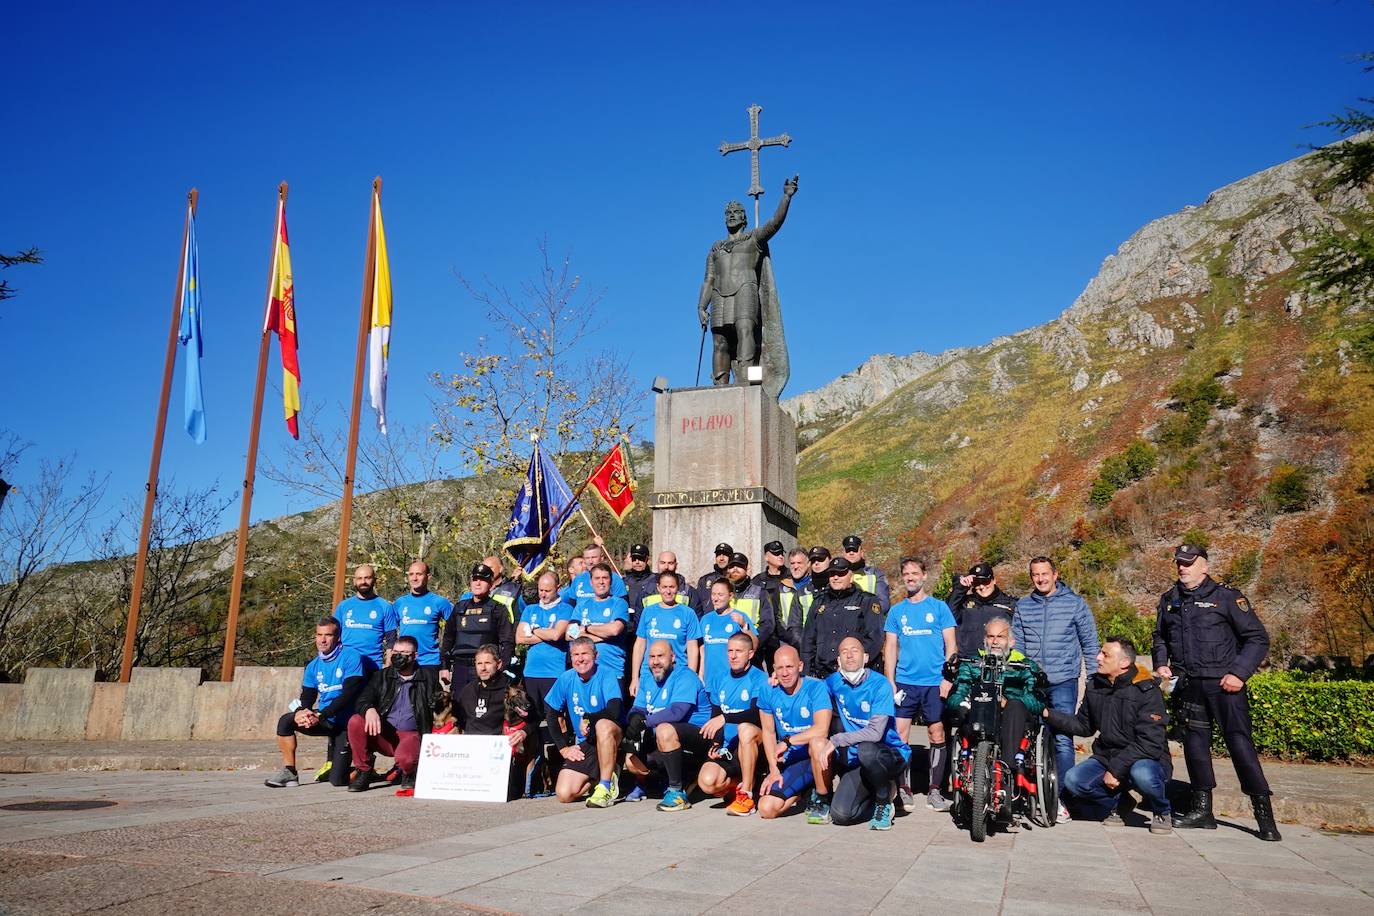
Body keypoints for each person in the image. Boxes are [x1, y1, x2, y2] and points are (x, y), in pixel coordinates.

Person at [1153, 543, 1280, 841]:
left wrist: (1239, 673)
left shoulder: (1227, 598)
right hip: (1189, 686)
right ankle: (1202, 811)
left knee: (1240, 747)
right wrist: (1161, 664)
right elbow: (1160, 637)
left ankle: (1264, 816)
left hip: (1224, 686)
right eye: (1179, 563)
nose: (1182, 567)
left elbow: (1257, 638)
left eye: (1189, 563)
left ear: (1204, 566)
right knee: (1195, 747)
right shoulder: (1169, 600)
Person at [1046, 636, 1172, 834]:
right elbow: (1083, 726)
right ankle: (1119, 803)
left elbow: (1150, 742)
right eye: (1100, 652)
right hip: (1108, 755)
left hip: (1146, 758)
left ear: (1124, 663)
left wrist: (1116, 769)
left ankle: (1162, 811)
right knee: (1073, 781)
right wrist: (1047, 714)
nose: (1097, 658)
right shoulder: (1095, 685)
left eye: (1105, 654)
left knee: (1142, 774)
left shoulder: (1146, 689)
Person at [1013, 556, 1099, 818]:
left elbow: (1090, 641)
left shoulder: (1074, 604)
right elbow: (1018, 646)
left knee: (1062, 740)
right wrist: (1019, 676)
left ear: (1055, 574)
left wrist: (1093, 678)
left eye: (1045, 574)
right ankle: (1028, 793)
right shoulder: (1023, 606)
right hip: (1032, 683)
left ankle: (1058, 798)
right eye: (1035, 575)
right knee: (1026, 738)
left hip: (1063, 681)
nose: (1040, 579)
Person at [696, 176, 797, 392]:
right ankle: (720, 385)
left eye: (737, 213)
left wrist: (786, 197)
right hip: (719, 295)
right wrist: (701, 306)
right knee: (720, 342)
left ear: (744, 218)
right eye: (728, 214)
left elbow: (775, 222)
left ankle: (745, 382)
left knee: (745, 332)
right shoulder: (716, 248)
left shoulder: (754, 239)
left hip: (745, 289)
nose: (732, 216)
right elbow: (708, 279)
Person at [810, 637, 909, 830]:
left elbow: (875, 733)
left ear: (865, 657)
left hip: (888, 753)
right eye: (844, 651)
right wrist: (777, 679)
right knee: (841, 815)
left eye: (854, 650)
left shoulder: (880, 685)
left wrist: (837, 740)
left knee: (867, 750)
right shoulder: (833, 682)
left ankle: (883, 800)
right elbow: (805, 686)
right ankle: (877, 793)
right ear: (838, 661)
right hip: (858, 760)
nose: (849, 655)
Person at [883, 556, 957, 812]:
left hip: (934, 683)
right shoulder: (896, 611)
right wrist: (890, 681)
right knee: (900, 735)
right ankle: (904, 790)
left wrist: (948, 678)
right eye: (906, 574)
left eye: (915, 573)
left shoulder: (939, 608)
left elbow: (952, 646)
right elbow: (890, 647)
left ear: (925, 575)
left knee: (936, 733)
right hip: (905, 681)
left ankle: (934, 791)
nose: (911, 577)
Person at [946, 618, 1046, 799]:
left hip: (1013, 719)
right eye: (991, 636)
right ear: (985, 640)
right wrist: (965, 702)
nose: (995, 641)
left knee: (1015, 706)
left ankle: (1008, 767)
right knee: (964, 708)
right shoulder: (971, 663)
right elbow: (956, 694)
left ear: (1011, 641)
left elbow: (1037, 700)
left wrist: (1009, 702)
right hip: (979, 715)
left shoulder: (1024, 665)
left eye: (1001, 637)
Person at [266, 617, 368, 788]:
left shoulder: (352, 657)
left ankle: (365, 768)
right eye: (319, 635)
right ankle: (290, 772)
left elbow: (349, 694)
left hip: (346, 724)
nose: (322, 640)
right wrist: (302, 712)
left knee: (337, 781)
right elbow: (307, 696)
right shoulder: (313, 666)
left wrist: (320, 714)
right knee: (286, 720)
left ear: (338, 637)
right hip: (325, 720)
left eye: (328, 635)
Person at [622, 639, 714, 811]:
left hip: (699, 736)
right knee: (632, 759)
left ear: (673, 657)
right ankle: (667, 777)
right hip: (667, 739)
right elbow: (638, 708)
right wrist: (634, 719)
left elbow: (676, 712)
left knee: (665, 728)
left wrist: (644, 722)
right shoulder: (647, 677)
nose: (656, 661)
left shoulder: (685, 675)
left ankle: (677, 792)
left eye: (661, 656)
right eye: (652, 656)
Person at [346, 635, 441, 793]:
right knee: (356, 721)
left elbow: (439, 707)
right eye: (395, 652)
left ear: (414, 655)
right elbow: (362, 699)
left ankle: (409, 772)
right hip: (383, 733)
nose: (398, 656)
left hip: (411, 735)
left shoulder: (429, 679)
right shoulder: (381, 676)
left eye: (404, 653)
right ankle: (364, 771)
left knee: (407, 759)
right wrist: (369, 709)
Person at [543, 636, 624, 807]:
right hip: (586, 743)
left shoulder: (606, 674)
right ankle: (603, 775)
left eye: (585, 654)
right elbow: (551, 713)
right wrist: (564, 748)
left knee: (602, 725)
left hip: (611, 736)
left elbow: (615, 709)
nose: (580, 659)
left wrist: (588, 718)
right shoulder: (566, 678)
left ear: (596, 655)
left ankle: (605, 785)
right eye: (575, 654)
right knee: (564, 794)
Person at [697, 632, 771, 816]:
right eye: (730, 651)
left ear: (750, 654)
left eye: (739, 651)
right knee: (707, 782)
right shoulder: (719, 678)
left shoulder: (759, 678)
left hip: (753, 744)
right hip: (729, 746)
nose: (733, 655)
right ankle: (745, 782)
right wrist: (716, 742)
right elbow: (716, 713)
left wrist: (726, 718)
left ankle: (746, 796)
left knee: (745, 729)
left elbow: (756, 714)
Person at [757, 644, 833, 820]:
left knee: (818, 743)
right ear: (773, 669)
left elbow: (821, 729)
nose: (785, 673)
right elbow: (768, 732)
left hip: (816, 756)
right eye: (780, 668)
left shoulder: (816, 687)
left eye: (789, 667)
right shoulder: (768, 690)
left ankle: (822, 798)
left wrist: (788, 741)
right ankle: (803, 792)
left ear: (800, 666)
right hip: (790, 760)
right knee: (766, 809)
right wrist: (773, 769)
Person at [453, 644, 532, 800]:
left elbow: (533, 720)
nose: (483, 668)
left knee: (509, 794)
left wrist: (524, 732)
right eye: (479, 664)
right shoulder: (468, 690)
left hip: (496, 755)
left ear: (499, 664)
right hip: (469, 753)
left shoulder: (511, 690)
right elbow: (458, 719)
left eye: (488, 663)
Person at [441, 562, 516, 697]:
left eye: (482, 580)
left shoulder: (498, 609)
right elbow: (448, 638)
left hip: (486, 669)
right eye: (475, 579)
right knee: (459, 709)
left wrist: (502, 668)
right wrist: (444, 667)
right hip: (460, 668)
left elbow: (507, 641)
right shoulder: (459, 608)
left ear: (491, 584)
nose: (478, 583)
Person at [801, 558, 884, 679]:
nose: (836, 577)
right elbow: (808, 640)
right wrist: (806, 673)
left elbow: (874, 638)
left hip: (855, 674)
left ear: (851, 577)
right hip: (823, 674)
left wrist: (851, 665)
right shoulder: (819, 602)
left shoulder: (866, 601)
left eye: (841, 574)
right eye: (832, 574)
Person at [629, 571, 703, 699]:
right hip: (650, 673)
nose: (668, 591)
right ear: (658, 587)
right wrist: (635, 678)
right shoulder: (648, 612)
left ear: (678, 588)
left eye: (672, 587)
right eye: (664, 587)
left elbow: (692, 648)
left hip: (677, 673)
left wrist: (690, 678)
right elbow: (640, 645)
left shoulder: (688, 613)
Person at [573, 563, 632, 690]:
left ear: (611, 581)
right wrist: (605, 636)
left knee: (612, 710)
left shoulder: (619, 603)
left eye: (605, 578)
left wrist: (587, 628)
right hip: (585, 672)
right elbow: (570, 634)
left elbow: (615, 630)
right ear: (591, 581)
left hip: (613, 672)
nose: (601, 582)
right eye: (597, 578)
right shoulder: (582, 605)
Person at [391, 561, 454, 678]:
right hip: (405, 661)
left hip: (429, 661)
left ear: (428, 576)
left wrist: (446, 661)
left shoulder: (440, 602)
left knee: (428, 696)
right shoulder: (400, 603)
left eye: (419, 574)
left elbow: (456, 626)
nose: (414, 578)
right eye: (411, 574)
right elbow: (389, 631)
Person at [332, 564, 397, 672]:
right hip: (346, 665)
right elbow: (333, 636)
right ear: (354, 581)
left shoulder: (384, 606)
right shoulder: (343, 606)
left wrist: (388, 665)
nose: (363, 582)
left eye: (367, 578)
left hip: (373, 666)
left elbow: (391, 639)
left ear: (374, 580)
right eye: (359, 578)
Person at [948, 562, 1017, 659]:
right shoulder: (963, 604)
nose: (981, 587)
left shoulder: (1010, 604)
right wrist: (960, 588)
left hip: (1000, 663)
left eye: (985, 581)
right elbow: (948, 616)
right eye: (977, 583)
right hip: (968, 663)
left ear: (994, 580)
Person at [700, 578, 756, 689]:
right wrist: (701, 673)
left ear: (730, 596)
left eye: (720, 595)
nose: (716, 598)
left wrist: (744, 626)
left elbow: (754, 645)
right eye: (713, 594)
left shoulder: (740, 617)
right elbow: (703, 649)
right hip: (709, 681)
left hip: (733, 680)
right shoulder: (706, 619)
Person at [723, 552, 777, 664]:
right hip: (726, 651)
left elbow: (768, 624)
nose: (735, 569)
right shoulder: (722, 593)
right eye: (732, 566)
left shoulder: (759, 592)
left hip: (752, 653)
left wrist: (753, 643)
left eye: (739, 566)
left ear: (747, 568)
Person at [565, 543, 627, 610]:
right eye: (587, 558)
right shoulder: (578, 579)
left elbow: (623, 603)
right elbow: (571, 606)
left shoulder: (614, 578)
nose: (590, 561)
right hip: (581, 618)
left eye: (594, 557)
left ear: (602, 558)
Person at [643, 550, 704, 617]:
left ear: (676, 565)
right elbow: (639, 621)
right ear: (657, 564)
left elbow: (695, 620)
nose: (666, 567)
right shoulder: (646, 591)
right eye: (662, 563)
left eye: (670, 563)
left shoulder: (689, 592)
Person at [841, 535, 891, 612]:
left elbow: (884, 605)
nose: (851, 553)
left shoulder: (875, 574)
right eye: (848, 550)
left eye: (855, 550)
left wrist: (858, 613)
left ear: (862, 553)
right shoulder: (835, 576)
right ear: (843, 553)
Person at [621, 543, 658, 615]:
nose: (637, 562)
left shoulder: (656, 580)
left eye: (641, 558)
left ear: (647, 559)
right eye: (634, 559)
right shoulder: (624, 581)